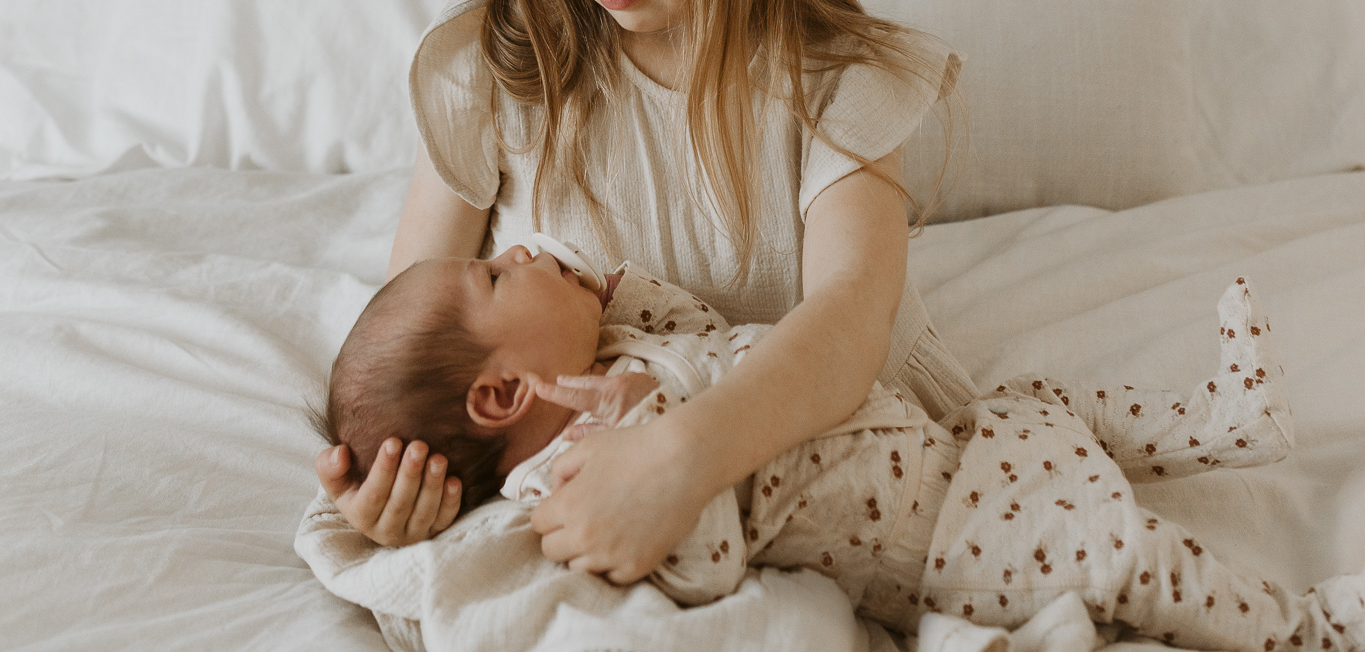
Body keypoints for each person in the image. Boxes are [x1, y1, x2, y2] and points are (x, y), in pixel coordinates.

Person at [314, 0, 977, 583]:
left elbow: (848, 321)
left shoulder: (835, 83)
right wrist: (395, 480)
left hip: (812, 470)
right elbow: (420, 325)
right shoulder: (497, 66)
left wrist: (679, 458)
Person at [307, 245, 1365, 649]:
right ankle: (1304, 627)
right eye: (497, 276)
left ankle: (1221, 422)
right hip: (950, 534)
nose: (524, 248)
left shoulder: (617, 347)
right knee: (1133, 557)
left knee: (1050, 398)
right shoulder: (572, 477)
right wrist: (664, 438)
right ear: (500, 393)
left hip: (947, 440)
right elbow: (704, 562)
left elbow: (697, 326)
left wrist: (618, 305)